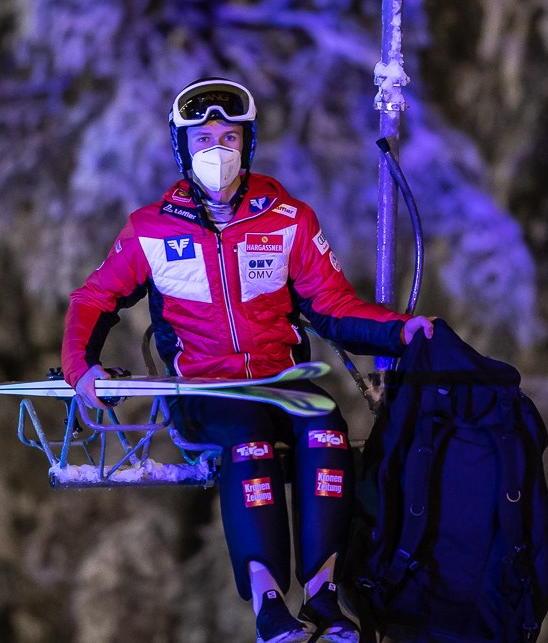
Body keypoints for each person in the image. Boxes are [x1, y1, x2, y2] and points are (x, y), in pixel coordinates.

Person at [61, 77, 434, 643]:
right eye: (203, 139)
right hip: (205, 390)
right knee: (249, 437)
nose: (218, 151)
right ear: (183, 148)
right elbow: (94, 299)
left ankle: (324, 596)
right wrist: (81, 367)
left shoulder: (286, 218)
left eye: (229, 138)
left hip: (281, 382)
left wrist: (401, 331)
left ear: (248, 143)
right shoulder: (151, 229)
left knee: (326, 425)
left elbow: (333, 307)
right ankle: (269, 605)